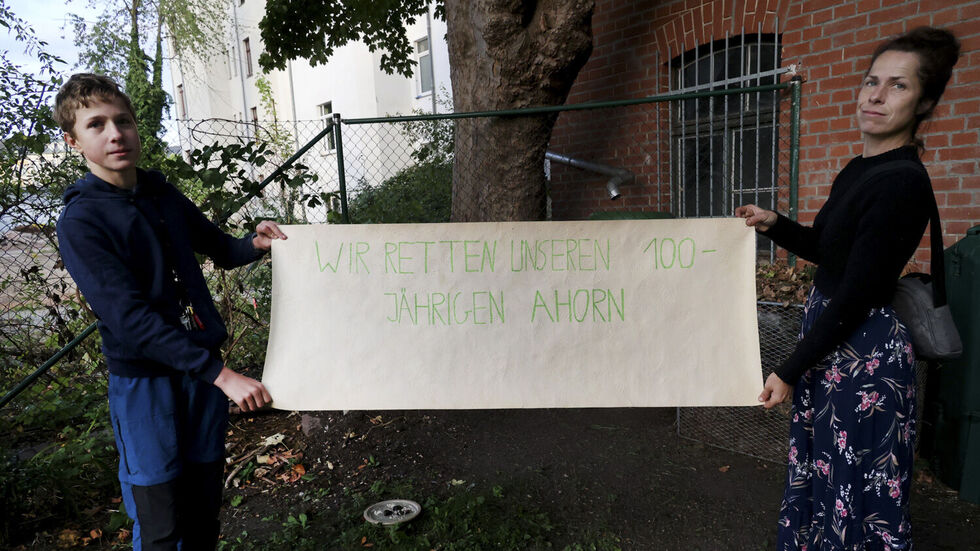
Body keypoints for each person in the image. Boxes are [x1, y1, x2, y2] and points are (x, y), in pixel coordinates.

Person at [736, 27, 961, 550]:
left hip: (861, 357)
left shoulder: (901, 180)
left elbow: (859, 291)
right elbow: (831, 253)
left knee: (854, 491)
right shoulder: (860, 169)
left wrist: (789, 369)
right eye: (871, 81)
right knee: (829, 479)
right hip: (835, 346)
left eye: (897, 87)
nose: (875, 96)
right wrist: (774, 223)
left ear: (924, 102)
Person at [54, 73, 286, 550]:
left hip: (199, 380)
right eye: (96, 125)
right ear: (74, 141)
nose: (115, 133)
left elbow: (219, 247)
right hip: (145, 384)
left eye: (123, 120)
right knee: (161, 523)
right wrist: (222, 375)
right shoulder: (81, 220)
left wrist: (256, 244)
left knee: (203, 509)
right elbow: (131, 320)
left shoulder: (162, 194)